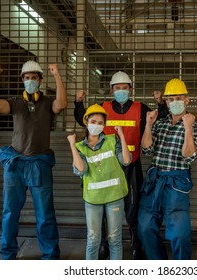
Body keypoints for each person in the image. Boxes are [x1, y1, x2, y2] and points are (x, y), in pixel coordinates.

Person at [73, 71, 168, 259]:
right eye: (118, 88)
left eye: (125, 88)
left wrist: (160, 103)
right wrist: (78, 103)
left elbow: (159, 118)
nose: (122, 91)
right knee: (102, 206)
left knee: (133, 209)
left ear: (130, 89)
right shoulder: (102, 107)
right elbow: (83, 118)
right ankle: (103, 246)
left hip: (131, 165)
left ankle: (135, 246)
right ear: (112, 90)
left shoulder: (141, 108)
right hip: (106, 167)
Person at [0, 60, 67, 260]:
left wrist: (57, 75)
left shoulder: (47, 103)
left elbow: (62, 104)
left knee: (45, 213)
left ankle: (50, 255)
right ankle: (8, 253)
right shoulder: (15, 102)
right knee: (10, 212)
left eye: (34, 78)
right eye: (27, 78)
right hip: (16, 164)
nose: (31, 81)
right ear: (22, 80)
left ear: (40, 80)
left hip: (40, 164)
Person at [137, 78, 197, 260]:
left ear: (187, 100)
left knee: (180, 235)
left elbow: (189, 156)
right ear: (166, 102)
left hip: (176, 183)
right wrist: (148, 125)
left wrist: (187, 128)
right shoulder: (160, 124)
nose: (175, 102)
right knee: (144, 227)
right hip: (155, 180)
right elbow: (146, 149)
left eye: (179, 98)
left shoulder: (195, 128)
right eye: (171, 99)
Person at [67, 104, 131, 260]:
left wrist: (122, 136)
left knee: (115, 239)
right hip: (93, 199)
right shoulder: (80, 147)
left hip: (115, 196)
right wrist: (72, 145)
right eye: (93, 121)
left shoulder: (112, 140)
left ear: (104, 125)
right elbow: (81, 169)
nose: (96, 125)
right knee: (93, 240)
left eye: (100, 123)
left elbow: (126, 160)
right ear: (86, 121)